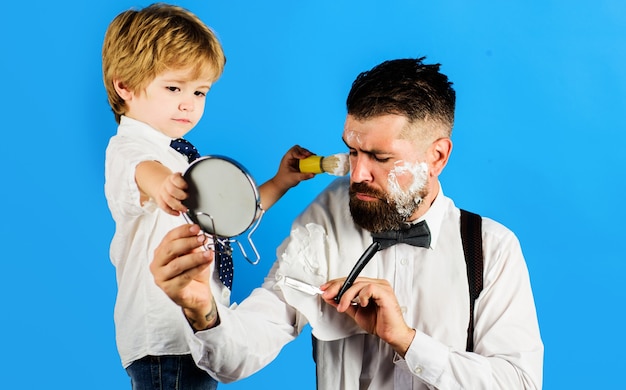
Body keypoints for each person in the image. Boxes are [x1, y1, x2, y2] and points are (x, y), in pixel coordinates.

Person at [150, 57, 544, 389]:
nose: (357, 175)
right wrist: (201, 309)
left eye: (380, 158)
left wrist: (407, 341)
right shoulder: (323, 223)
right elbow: (238, 355)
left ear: (437, 157)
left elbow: (519, 382)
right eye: (352, 151)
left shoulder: (490, 248)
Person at [102, 3, 313, 389]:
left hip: (203, 334)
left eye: (200, 91)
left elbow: (232, 213)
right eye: (173, 88)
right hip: (165, 341)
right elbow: (140, 171)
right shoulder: (130, 148)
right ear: (124, 86)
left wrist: (280, 181)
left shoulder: (181, 154)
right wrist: (162, 183)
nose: (189, 103)